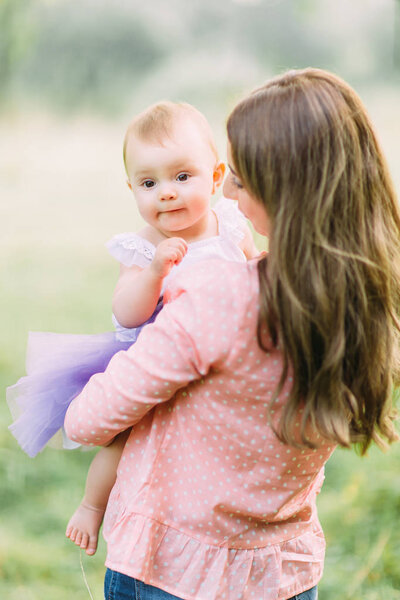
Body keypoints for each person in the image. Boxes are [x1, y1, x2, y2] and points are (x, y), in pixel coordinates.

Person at [64, 67, 400, 600]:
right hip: (283, 572)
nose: (230, 192)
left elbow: (85, 420)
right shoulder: (369, 300)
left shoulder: (219, 299)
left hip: (171, 568)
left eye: (240, 179)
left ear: (282, 188)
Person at [7, 101, 259, 554]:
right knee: (126, 438)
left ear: (217, 176)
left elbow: (252, 268)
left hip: (225, 354)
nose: (166, 192)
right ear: (132, 189)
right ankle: (91, 505)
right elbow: (125, 313)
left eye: (182, 177)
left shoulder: (231, 224)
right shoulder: (144, 246)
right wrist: (154, 275)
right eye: (149, 183)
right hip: (153, 351)